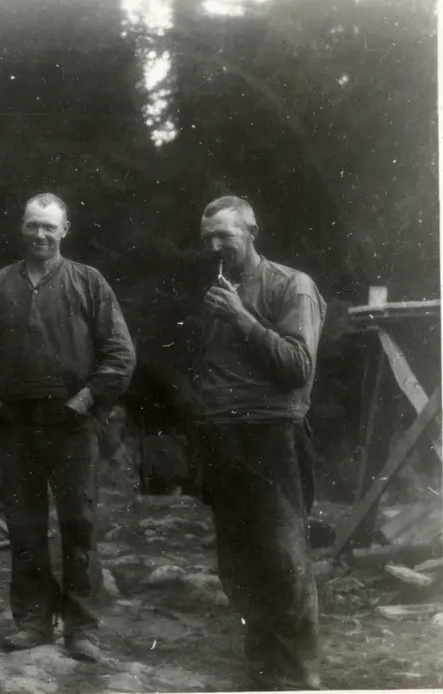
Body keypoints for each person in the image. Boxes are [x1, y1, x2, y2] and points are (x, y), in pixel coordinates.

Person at [0, 193, 135, 661]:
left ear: (65, 229)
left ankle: (82, 627)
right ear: (22, 227)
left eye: (49, 227)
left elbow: (120, 354)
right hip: (16, 424)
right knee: (24, 526)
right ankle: (34, 621)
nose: (40, 234)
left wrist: (84, 400)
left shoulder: (88, 282)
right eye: (32, 225)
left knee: (78, 523)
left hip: (71, 423)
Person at [193, 195, 326, 690]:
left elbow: (298, 367)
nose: (214, 245)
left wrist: (243, 318)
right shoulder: (220, 289)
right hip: (224, 438)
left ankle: (298, 675)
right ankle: (263, 667)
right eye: (208, 237)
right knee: (238, 562)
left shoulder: (293, 286)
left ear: (251, 231)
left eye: (224, 235)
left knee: (285, 559)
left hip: (273, 436)